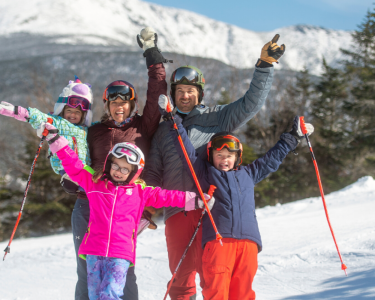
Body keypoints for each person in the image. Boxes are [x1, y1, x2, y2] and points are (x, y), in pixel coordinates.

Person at [143, 35, 285, 299]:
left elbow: (250, 105)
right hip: (177, 211)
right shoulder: (163, 132)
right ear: (173, 94)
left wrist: (265, 65)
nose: (185, 96)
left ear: (200, 94)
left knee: (215, 279)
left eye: (191, 91)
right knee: (180, 279)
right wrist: (148, 208)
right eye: (180, 91)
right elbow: (152, 172)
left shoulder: (216, 118)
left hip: (213, 212)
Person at [39, 122, 215, 300]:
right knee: (94, 295)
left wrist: (197, 200)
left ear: (134, 173)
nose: (118, 171)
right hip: (94, 250)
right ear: (109, 163)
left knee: (110, 294)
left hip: (120, 254)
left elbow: (167, 196)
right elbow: (74, 165)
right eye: (116, 165)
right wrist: (55, 139)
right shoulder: (95, 183)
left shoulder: (140, 192)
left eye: (125, 169)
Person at [159, 99, 314, 299]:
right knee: (217, 291)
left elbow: (272, 159)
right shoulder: (204, 173)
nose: (224, 159)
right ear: (211, 156)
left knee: (243, 293)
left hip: (249, 244)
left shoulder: (249, 173)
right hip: (218, 242)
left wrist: (293, 137)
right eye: (219, 154)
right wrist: (173, 119)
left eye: (229, 155)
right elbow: (185, 149)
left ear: (237, 157)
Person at [71, 27, 169, 299]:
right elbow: (73, 156)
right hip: (87, 204)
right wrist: (68, 175)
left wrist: (152, 52)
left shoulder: (143, 126)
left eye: (125, 101)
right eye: (113, 101)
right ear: (106, 104)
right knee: (85, 272)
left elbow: (157, 89)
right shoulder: (94, 132)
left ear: (132, 104)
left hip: (123, 208)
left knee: (122, 271)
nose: (119, 106)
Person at [0, 75, 92, 193]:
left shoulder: (85, 130)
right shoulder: (58, 122)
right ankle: (72, 180)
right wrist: (15, 110)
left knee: (99, 183)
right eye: (69, 111)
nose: (72, 115)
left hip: (83, 167)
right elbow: (37, 117)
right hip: (66, 166)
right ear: (63, 110)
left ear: (84, 115)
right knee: (89, 187)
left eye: (77, 112)